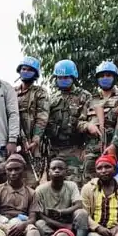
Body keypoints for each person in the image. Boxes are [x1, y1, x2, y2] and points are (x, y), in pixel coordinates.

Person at [45, 59, 100, 188]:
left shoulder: (85, 96)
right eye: (60, 77)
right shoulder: (51, 98)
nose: (63, 80)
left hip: (75, 149)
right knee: (54, 187)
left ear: (73, 77)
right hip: (54, 150)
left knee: (75, 186)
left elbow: (89, 120)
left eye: (66, 77)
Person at [85, 61, 118, 180]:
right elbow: (79, 121)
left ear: (115, 78)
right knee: (90, 186)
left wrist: (113, 145)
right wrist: (88, 126)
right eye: (102, 76)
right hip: (92, 149)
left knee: (117, 184)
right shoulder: (90, 100)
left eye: (109, 75)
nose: (105, 78)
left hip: (112, 147)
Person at [35, 159, 90, 236]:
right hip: (50, 222)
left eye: (60, 168)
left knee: (82, 213)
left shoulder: (71, 185)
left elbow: (78, 204)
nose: (57, 171)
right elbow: (40, 215)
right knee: (39, 223)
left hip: (68, 219)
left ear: (66, 172)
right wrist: (62, 226)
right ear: (49, 172)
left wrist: (62, 212)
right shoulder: (40, 190)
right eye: (53, 168)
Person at [14, 57, 50, 185]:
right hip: (15, 143)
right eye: (24, 69)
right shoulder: (13, 92)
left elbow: (42, 117)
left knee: (32, 181)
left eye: (30, 70)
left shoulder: (40, 93)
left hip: (33, 145)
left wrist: (35, 139)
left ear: (35, 74)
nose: (26, 71)